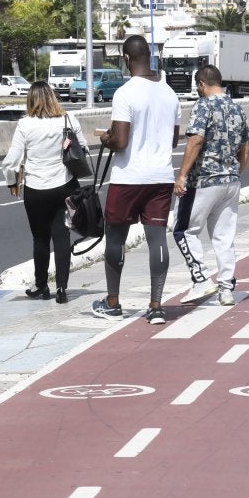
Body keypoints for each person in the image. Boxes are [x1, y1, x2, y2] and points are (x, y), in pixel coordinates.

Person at [93, 35, 180, 325]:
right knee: (157, 237)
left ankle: (113, 302)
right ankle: (156, 306)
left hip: (129, 177)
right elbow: (173, 140)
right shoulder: (169, 93)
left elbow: (120, 141)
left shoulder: (125, 93)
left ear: (127, 59)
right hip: (161, 177)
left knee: (116, 238)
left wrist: (106, 138)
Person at [174, 64, 249, 306]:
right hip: (231, 181)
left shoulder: (203, 105)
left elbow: (196, 140)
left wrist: (182, 175)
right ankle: (226, 289)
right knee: (224, 237)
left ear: (201, 84)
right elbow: (246, 149)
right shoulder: (238, 109)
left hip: (204, 180)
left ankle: (200, 279)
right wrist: (234, 173)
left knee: (184, 230)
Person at [3, 81, 81, 304]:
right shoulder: (67, 119)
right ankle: (63, 289)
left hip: (36, 188)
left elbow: (13, 159)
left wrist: (11, 182)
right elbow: (82, 147)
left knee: (40, 237)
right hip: (64, 184)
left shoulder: (25, 125)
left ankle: (41, 285)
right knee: (62, 236)